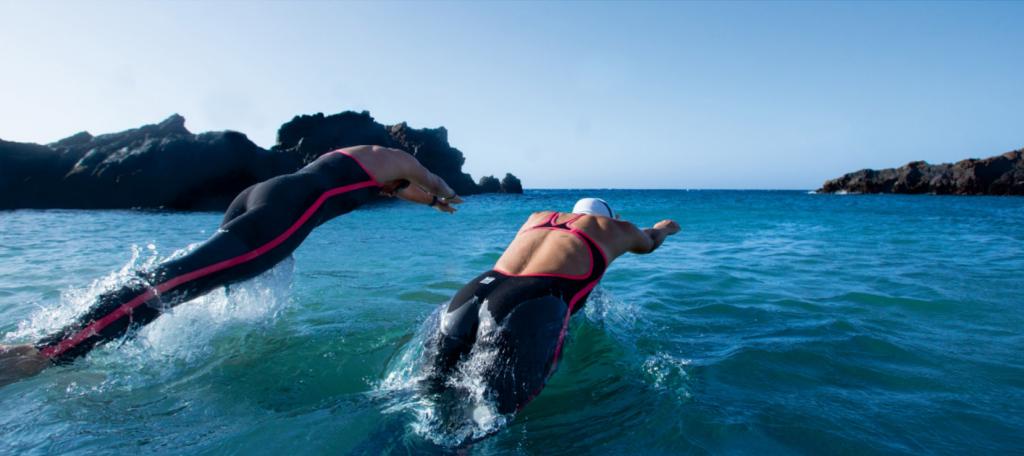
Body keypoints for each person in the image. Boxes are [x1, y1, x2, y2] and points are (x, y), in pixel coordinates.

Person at [0, 145, 462, 387]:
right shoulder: (399, 160)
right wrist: (444, 196)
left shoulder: (358, 159)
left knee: (190, 277)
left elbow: (402, 186)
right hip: (288, 208)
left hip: (262, 194)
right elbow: (429, 181)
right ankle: (48, 354)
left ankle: (60, 339)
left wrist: (419, 194)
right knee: (174, 283)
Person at [428, 198, 679, 414]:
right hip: (529, 300)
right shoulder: (616, 228)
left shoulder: (538, 217)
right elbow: (650, 241)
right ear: (610, 217)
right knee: (487, 415)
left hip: (477, 289)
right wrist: (663, 228)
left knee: (429, 387)